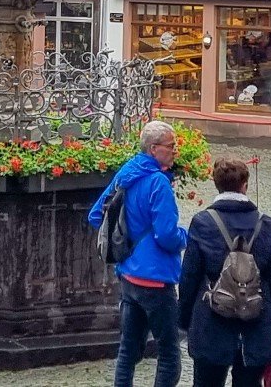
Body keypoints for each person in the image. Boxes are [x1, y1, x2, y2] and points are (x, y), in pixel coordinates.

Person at [89, 120, 188, 387]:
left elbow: (96, 214)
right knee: (169, 353)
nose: (175, 150)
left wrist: (124, 235)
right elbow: (167, 236)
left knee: (128, 351)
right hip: (156, 279)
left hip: (129, 276)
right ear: (154, 149)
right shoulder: (158, 183)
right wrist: (186, 237)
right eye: (171, 146)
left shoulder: (127, 172)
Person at [178, 158, 271, 387]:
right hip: (255, 324)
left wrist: (184, 318)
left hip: (211, 321)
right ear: (245, 186)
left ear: (216, 184)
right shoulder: (264, 224)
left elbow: (189, 275)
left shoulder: (203, 222)